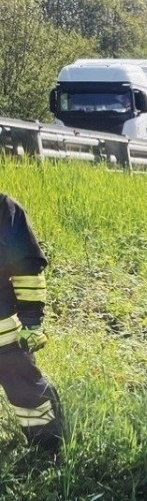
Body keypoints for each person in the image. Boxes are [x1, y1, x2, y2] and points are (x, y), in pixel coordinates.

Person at [0, 193, 65, 453]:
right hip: (3, 336)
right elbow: (26, 268)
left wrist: (31, 323)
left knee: (27, 392)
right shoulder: (4, 208)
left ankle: (47, 452)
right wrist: (31, 323)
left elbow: (25, 270)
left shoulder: (4, 208)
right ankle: (46, 453)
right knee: (27, 393)